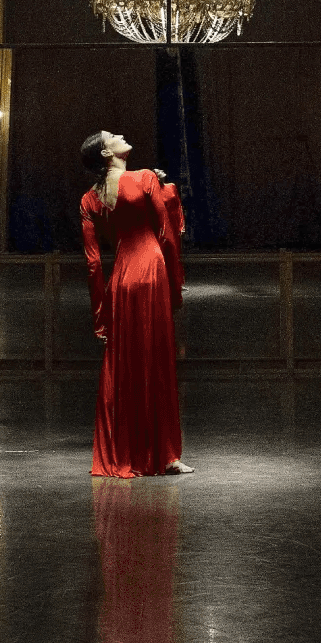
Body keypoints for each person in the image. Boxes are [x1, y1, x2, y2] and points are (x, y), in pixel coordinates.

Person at [80, 130, 192, 477]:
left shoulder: (89, 199)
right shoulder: (143, 178)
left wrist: (100, 319)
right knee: (157, 360)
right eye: (113, 136)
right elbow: (168, 236)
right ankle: (166, 456)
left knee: (124, 364)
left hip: (121, 280)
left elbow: (93, 263)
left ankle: (124, 453)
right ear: (105, 152)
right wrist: (175, 287)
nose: (122, 135)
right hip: (151, 271)